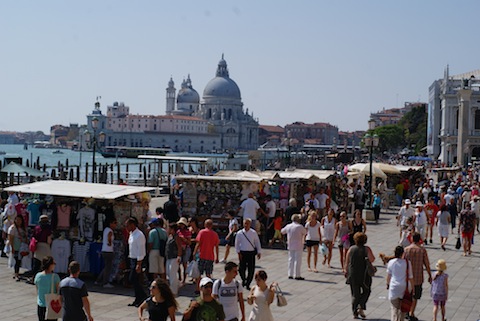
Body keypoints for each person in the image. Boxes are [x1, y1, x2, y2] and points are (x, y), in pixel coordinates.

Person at [344, 232, 375, 320]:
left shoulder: (351, 249)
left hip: (353, 274)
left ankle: (355, 312)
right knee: (367, 290)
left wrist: (346, 271)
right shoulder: (366, 249)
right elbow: (372, 259)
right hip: (364, 275)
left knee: (355, 294)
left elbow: (347, 261)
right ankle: (361, 305)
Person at [403, 232, 432, 321]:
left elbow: (403, 262)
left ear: (412, 239)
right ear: (419, 239)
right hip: (418, 277)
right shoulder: (422, 250)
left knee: (408, 294)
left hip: (407, 277)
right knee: (416, 296)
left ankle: (406, 311)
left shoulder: (406, 249)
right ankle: (412, 313)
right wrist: (430, 275)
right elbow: (426, 264)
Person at [386, 246, 413, 321]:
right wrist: (412, 288)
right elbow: (410, 277)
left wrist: (388, 284)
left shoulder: (391, 262)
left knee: (394, 308)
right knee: (403, 309)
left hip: (394, 287)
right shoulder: (407, 263)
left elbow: (388, 276)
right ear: (403, 253)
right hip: (404, 287)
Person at [126, 217, 148, 307]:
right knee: (134, 280)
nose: (126, 227)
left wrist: (139, 264)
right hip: (131, 258)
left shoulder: (139, 235)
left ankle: (142, 296)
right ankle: (138, 298)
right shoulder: (131, 234)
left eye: (128, 225)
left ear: (133, 225)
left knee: (133, 278)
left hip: (137, 259)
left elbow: (141, 250)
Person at [235, 218, 262, 290]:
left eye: (248, 223)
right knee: (241, 269)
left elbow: (257, 242)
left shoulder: (253, 232)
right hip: (243, 252)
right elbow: (237, 243)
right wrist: (238, 252)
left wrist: (259, 252)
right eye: (245, 223)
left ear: (250, 224)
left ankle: (248, 283)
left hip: (251, 253)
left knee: (251, 269)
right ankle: (243, 279)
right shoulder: (239, 233)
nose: (246, 225)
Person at [193, 219, 220, 290]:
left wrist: (194, 253)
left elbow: (198, 243)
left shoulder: (201, 232)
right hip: (210, 257)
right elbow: (217, 246)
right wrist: (217, 257)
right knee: (208, 274)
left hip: (202, 255)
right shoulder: (215, 234)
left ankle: (197, 289)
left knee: (199, 274)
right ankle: (209, 289)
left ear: (205, 225)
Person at [34, 256, 61, 321]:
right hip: (51, 304)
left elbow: (37, 288)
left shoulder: (38, 275)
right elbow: (58, 290)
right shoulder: (55, 277)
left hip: (41, 303)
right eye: (54, 263)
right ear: (50, 265)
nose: (55, 264)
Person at [281, 213, 307, 280]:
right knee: (297, 260)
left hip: (290, 244)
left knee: (291, 259)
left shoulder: (288, 226)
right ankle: (297, 275)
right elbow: (305, 232)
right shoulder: (300, 226)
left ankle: (290, 274)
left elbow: (282, 231)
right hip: (298, 244)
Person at [95, 218, 117, 288]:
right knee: (108, 267)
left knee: (106, 267)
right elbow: (109, 238)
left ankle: (99, 280)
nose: (115, 225)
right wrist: (110, 243)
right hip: (108, 251)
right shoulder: (110, 231)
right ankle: (105, 282)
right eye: (114, 223)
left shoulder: (106, 230)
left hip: (104, 250)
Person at [8, 214, 28, 280]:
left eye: (20, 220)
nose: (18, 221)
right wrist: (12, 247)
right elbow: (11, 238)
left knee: (19, 260)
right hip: (16, 246)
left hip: (22, 246)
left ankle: (17, 273)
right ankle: (16, 274)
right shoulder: (12, 228)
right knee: (17, 260)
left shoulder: (23, 228)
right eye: (17, 219)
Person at [165, 223, 182, 296]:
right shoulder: (170, 236)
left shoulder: (176, 237)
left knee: (172, 274)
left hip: (174, 257)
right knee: (168, 273)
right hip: (169, 257)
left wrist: (179, 256)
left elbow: (179, 247)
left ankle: (174, 291)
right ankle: (177, 285)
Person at [176, 217, 192, 284]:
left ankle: (184, 279)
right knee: (178, 264)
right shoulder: (178, 231)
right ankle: (179, 277)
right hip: (179, 248)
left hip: (186, 248)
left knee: (185, 264)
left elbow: (189, 242)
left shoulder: (187, 232)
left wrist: (183, 239)